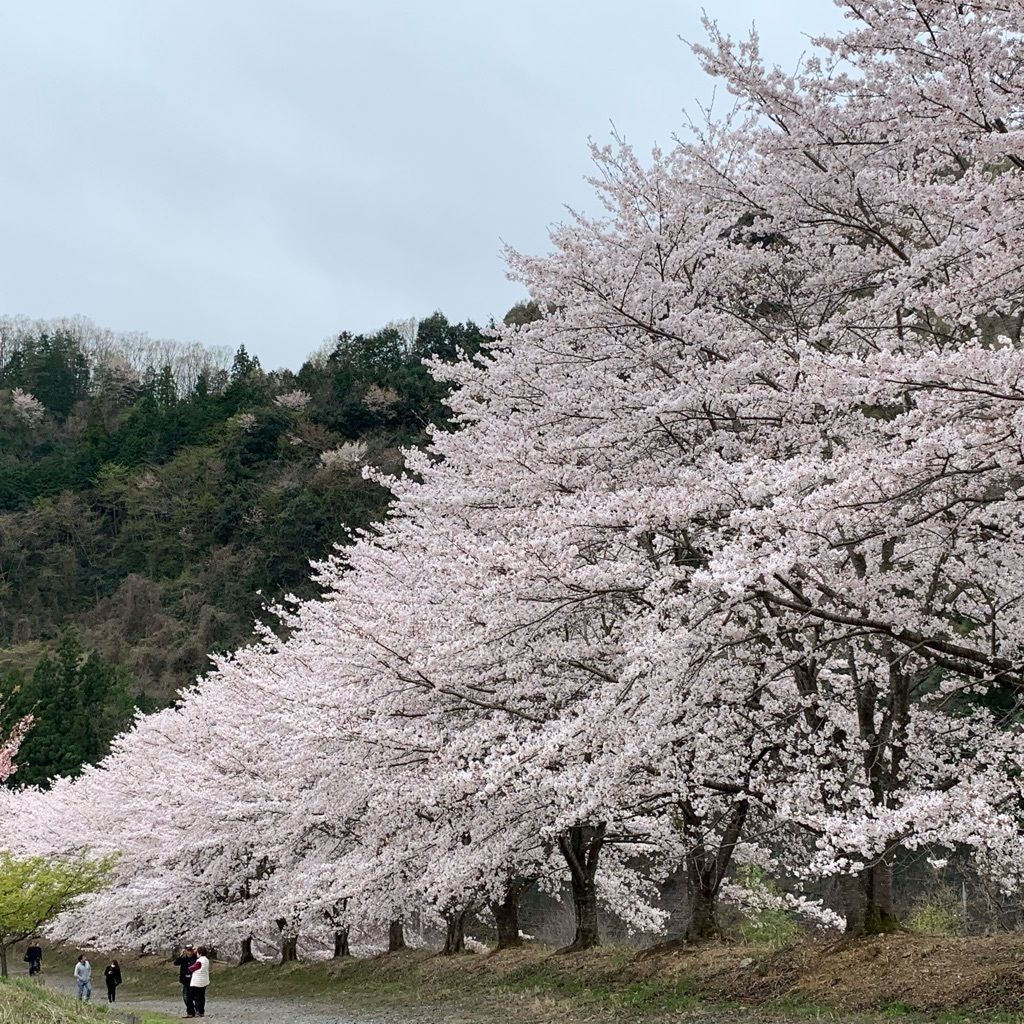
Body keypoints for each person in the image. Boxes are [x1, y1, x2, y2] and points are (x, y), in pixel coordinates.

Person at [172, 945, 198, 1018]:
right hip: (185, 981)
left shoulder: (195, 959)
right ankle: (192, 1010)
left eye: (191, 950)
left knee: (192, 997)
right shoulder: (183, 959)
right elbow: (176, 963)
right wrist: (181, 955)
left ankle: (191, 1012)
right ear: (185, 951)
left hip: (193, 980)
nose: (189, 952)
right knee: (186, 997)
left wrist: (197, 953)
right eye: (188, 950)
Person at [186, 946, 211, 1018]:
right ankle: (201, 1011)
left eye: (197, 952)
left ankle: (193, 1012)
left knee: (191, 997)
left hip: (197, 981)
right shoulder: (206, 960)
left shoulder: (200, 961)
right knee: (201, 997)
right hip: (204, 981)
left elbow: (192, 968)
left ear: (199, 953)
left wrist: (188, 968)